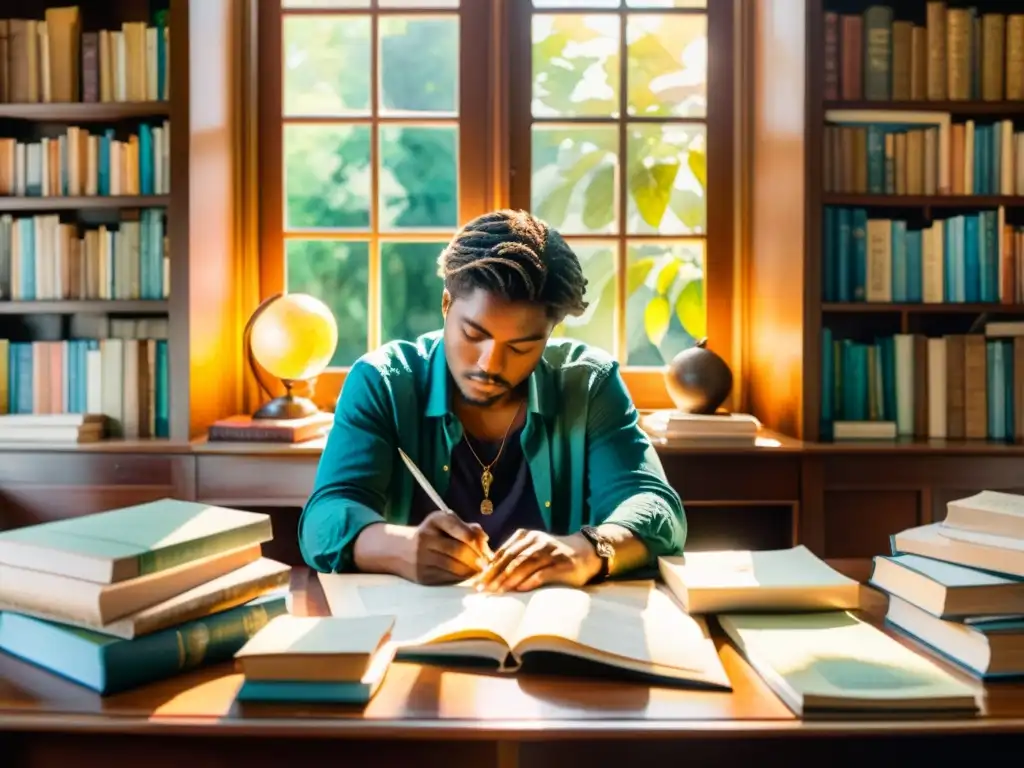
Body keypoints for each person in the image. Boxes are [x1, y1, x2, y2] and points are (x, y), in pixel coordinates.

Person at [298, 209, 686, 593]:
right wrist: (400, 548)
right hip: (408, 635)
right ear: (446, 305)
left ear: (550, 334)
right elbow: (322, 519)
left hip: (554, 634)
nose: (490, 364)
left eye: (521, 347)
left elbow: (654, 506)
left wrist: (586, 551)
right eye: (473, 334)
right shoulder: (383, 382)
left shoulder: (588, 384)